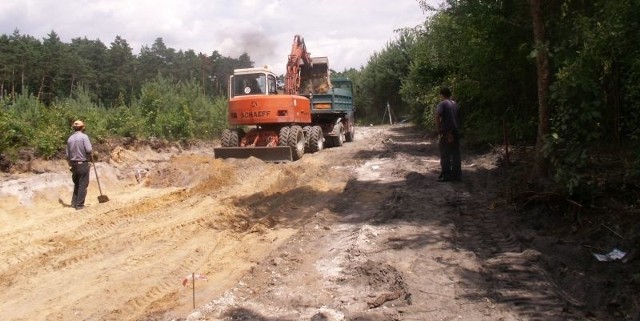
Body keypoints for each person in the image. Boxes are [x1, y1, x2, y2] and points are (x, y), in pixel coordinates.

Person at [435, 87, 462, 182]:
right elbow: (459, 118)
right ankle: (457, 176)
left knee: (445, 154)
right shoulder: (455, 104)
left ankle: (446, 175)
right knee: (456, 154)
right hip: (456, 131)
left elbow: (437, 116)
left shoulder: (442, 104)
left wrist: (439, 129)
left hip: (446, 132)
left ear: (442, 95)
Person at [66, 120, 93, 210]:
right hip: (82, 163)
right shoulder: (84, 137)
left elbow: (67, 154)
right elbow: (89, 150)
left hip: (73, 164)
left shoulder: (69, 139)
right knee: (82, 184)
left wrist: (70, 164)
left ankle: (74, 203)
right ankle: (80, 205)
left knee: (77, 183)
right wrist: (91, 156)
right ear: (82, 127)